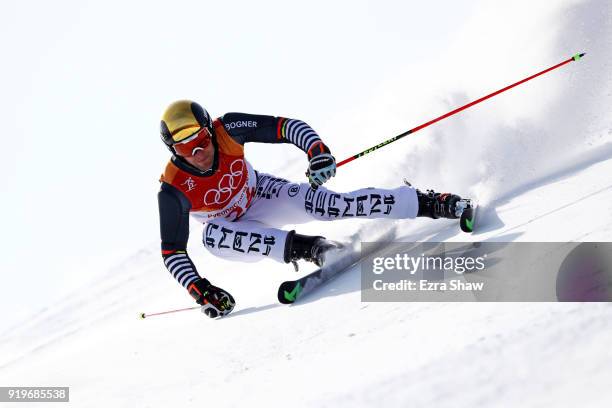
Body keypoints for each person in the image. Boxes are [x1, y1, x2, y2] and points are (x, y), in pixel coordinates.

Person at [158, 100, 466, 318]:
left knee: (332, 204)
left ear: (209, 129)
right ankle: (316, 249)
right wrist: (200, 289)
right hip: (229, 231)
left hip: (260, 193)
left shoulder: (228, 128)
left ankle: (429, 202)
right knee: (212, 235)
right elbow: (172, 252)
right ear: (174, 150)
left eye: (199, 139)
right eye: (185, 148)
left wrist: (317, 152)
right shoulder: (172, 186)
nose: (197, 152)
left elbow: (287, 127)